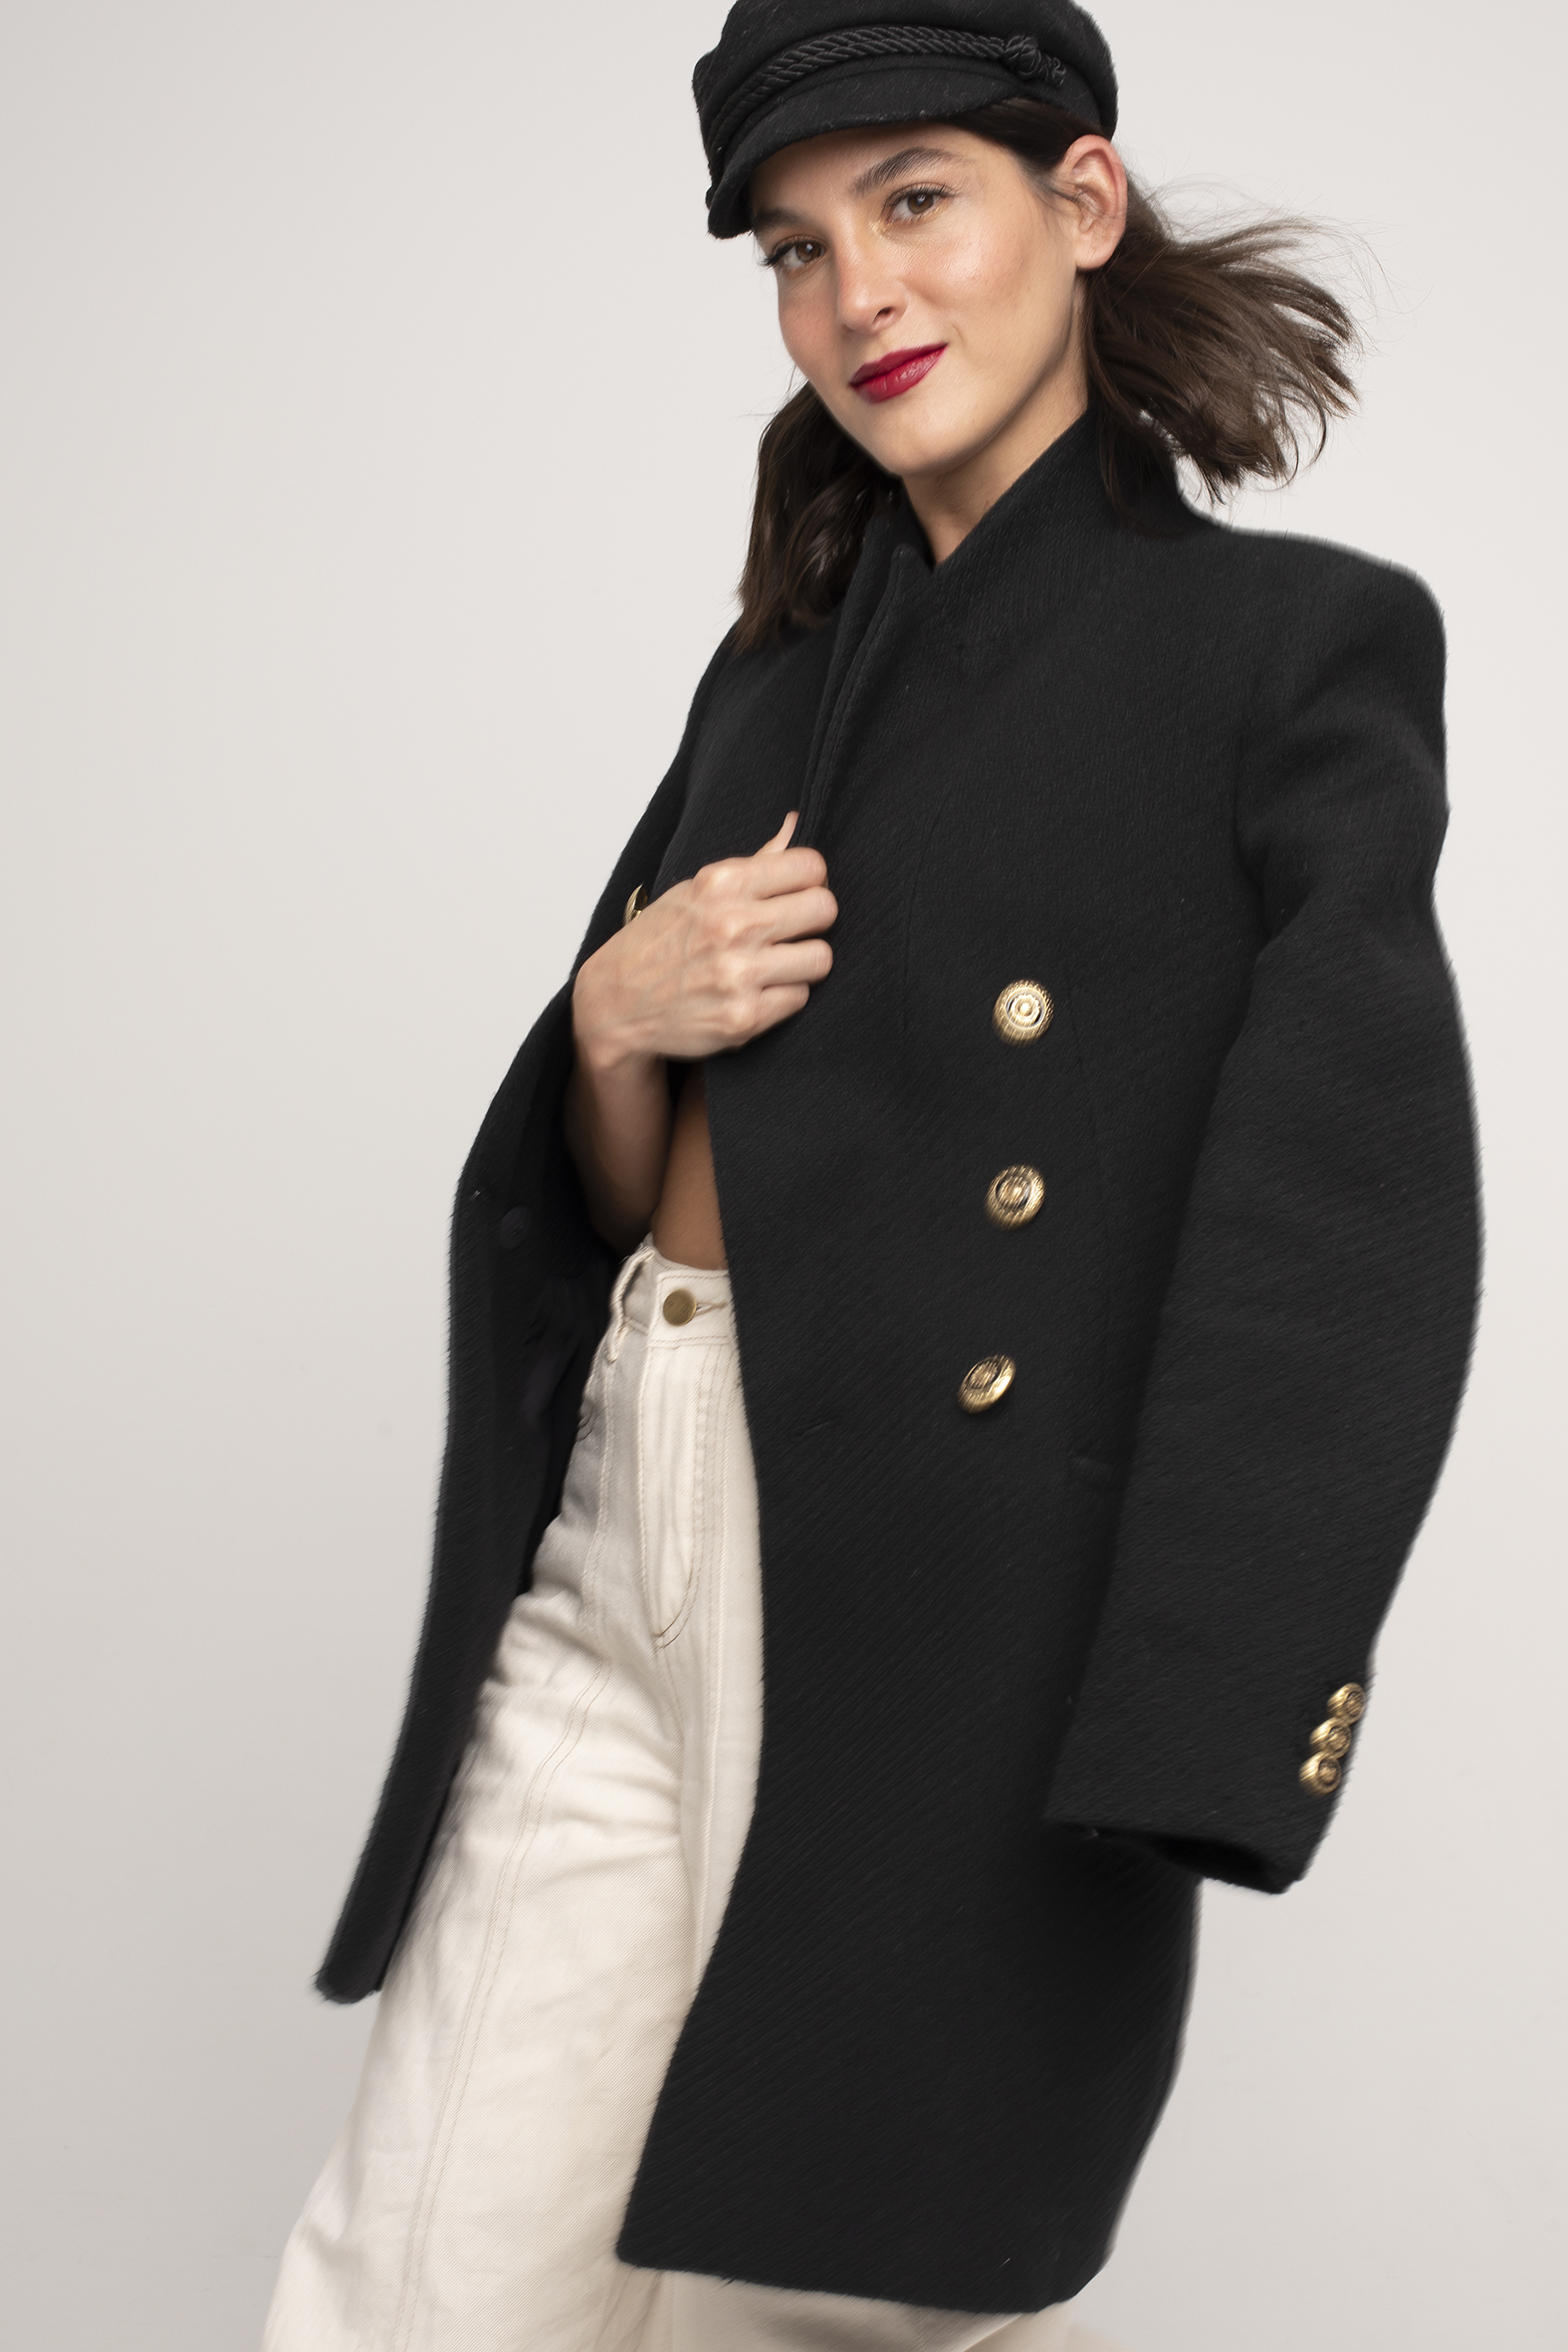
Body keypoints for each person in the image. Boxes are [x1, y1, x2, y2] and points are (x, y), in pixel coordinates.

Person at [263, 4, 1479, 2347]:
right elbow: (624, 1189)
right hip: (621, 1516)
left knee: (821, 2305)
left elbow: (1343, 1215)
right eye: (796, 251)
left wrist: (1197, 1715)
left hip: (941, 1588)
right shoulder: (770, 675)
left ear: (1080, 204)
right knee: (411, 2276)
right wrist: (608, 1018)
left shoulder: (1286, 651)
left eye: (914, 200)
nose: (856, 295)